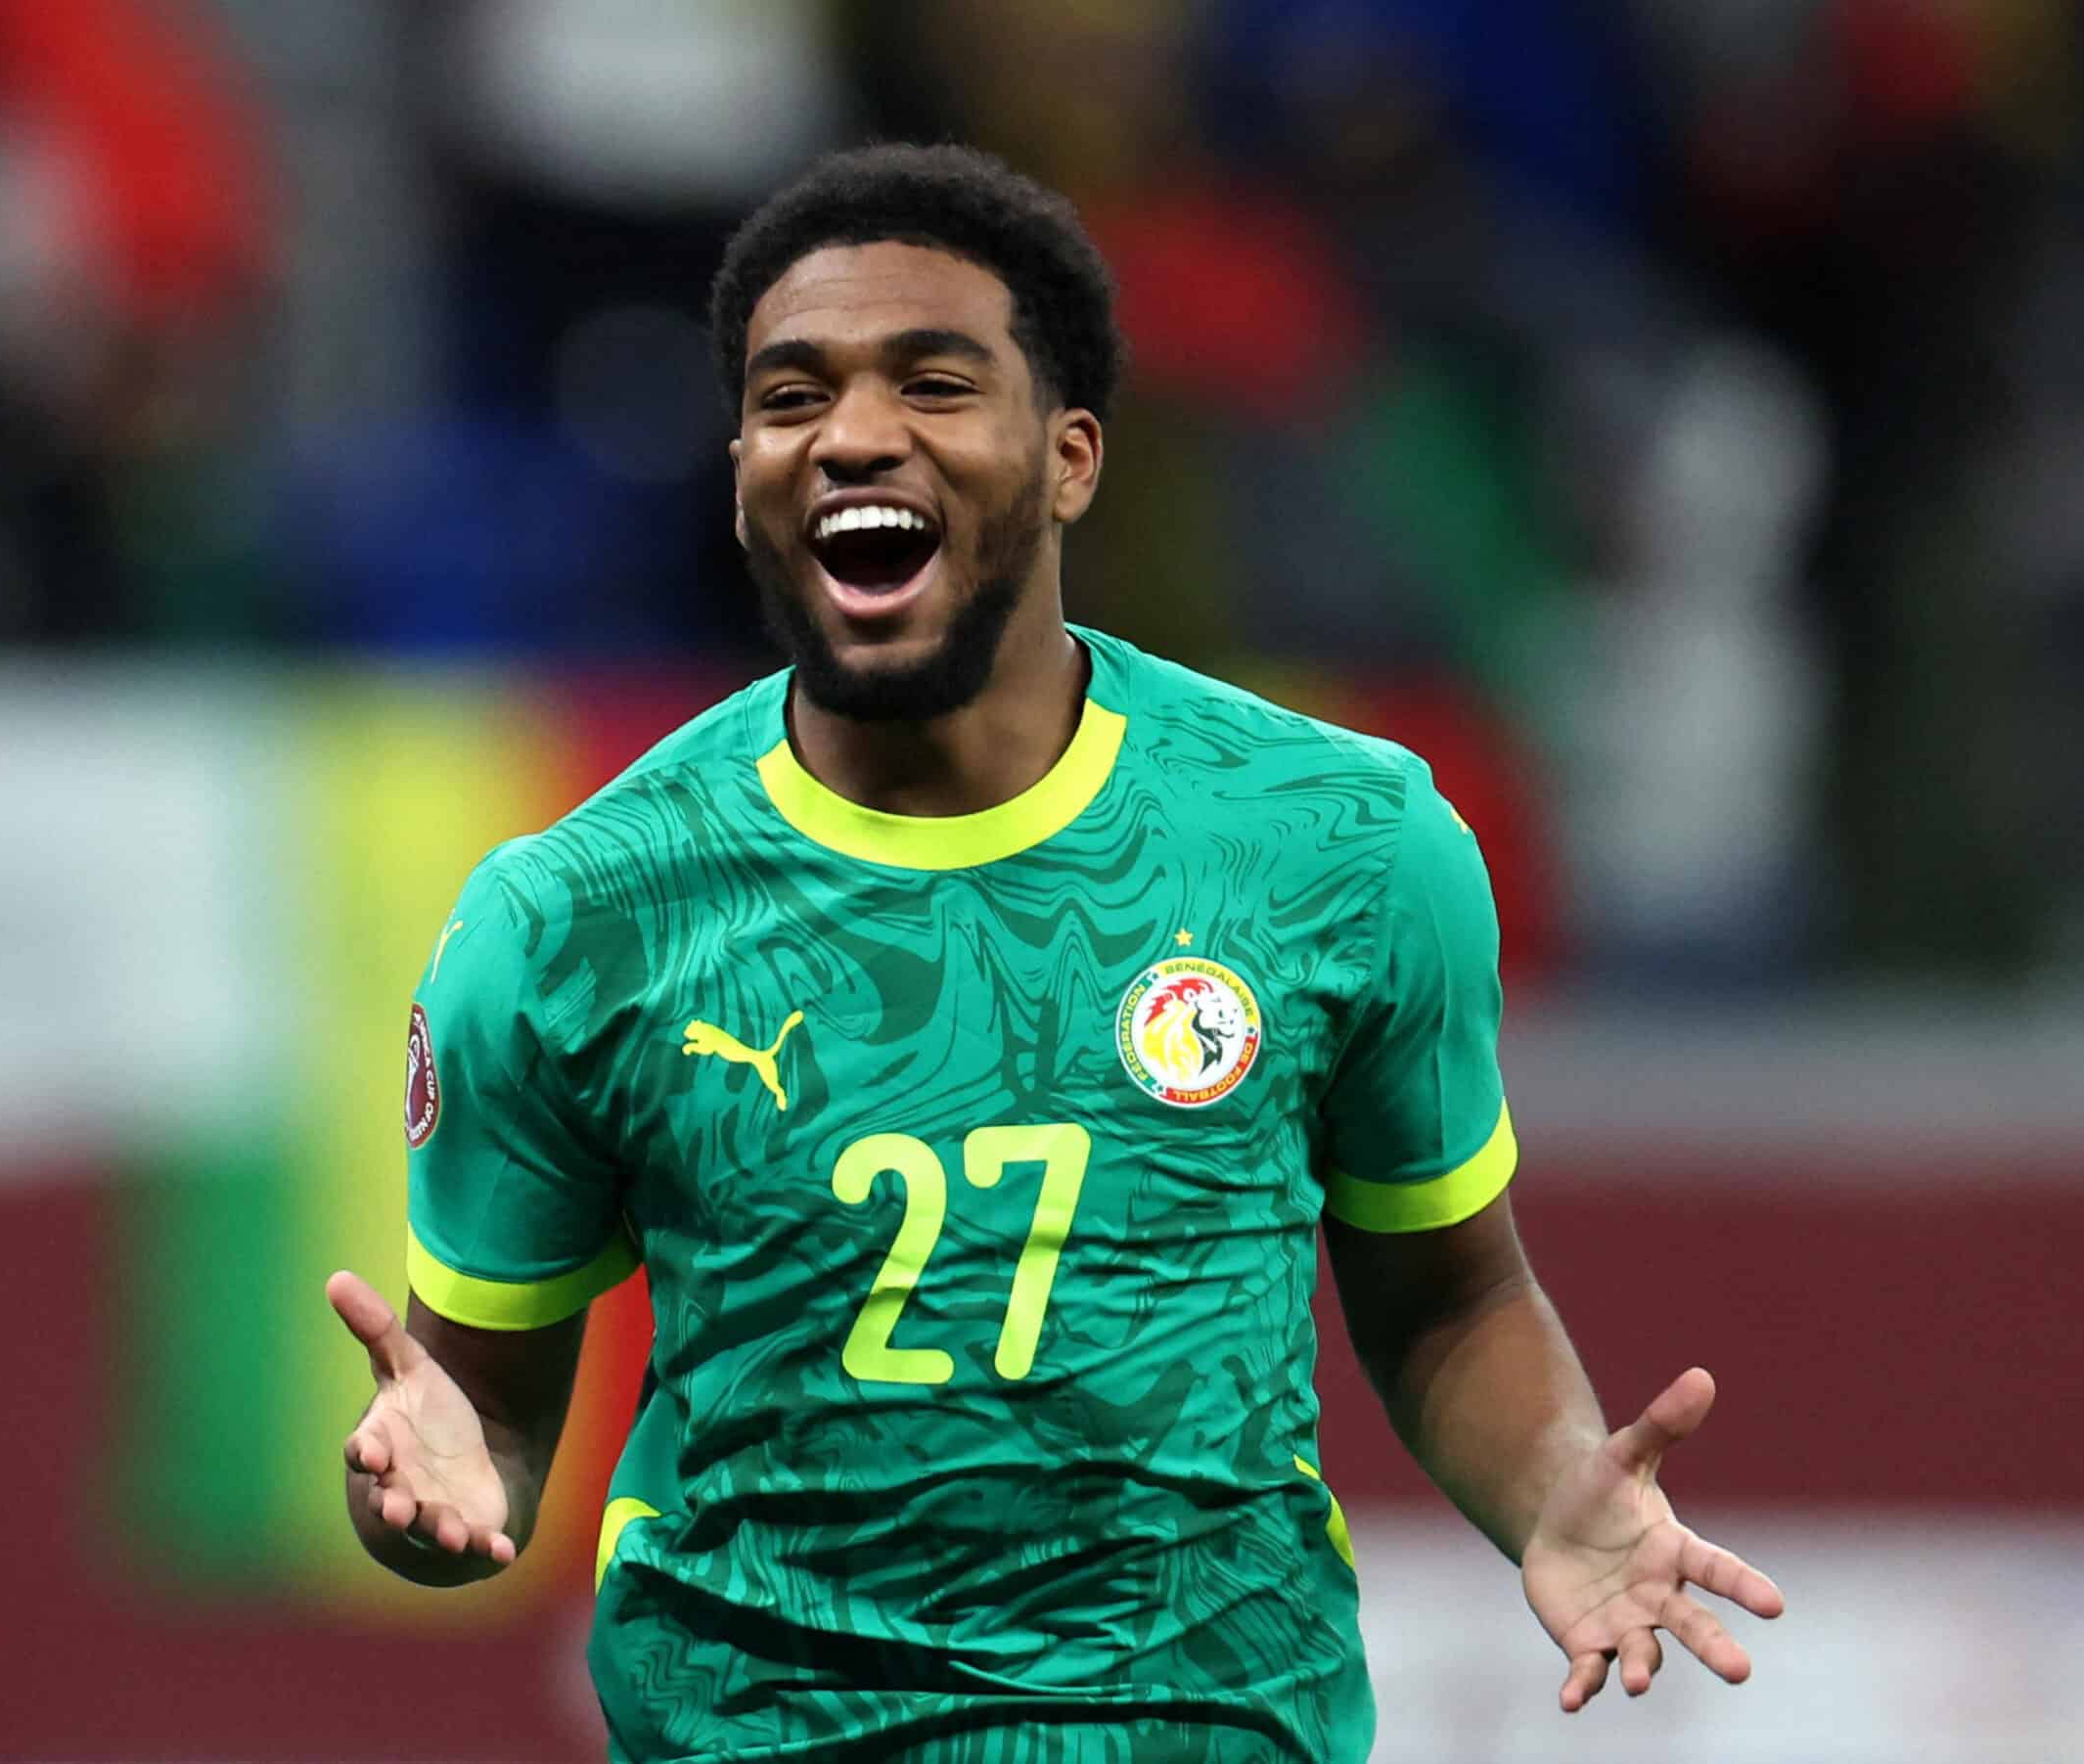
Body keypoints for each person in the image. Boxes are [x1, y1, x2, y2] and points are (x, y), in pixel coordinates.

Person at [328, 143, 1782, 1762]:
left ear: (1071, 454)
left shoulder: (1344, 849)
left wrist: (1552, 1497)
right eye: (792, 393)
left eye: (936, 383)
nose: (856, 434)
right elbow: (481, 1423)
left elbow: (1446, 1292)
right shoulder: (572, 919)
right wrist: (420, 1496)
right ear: (741, 458)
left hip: (1207, 1727)